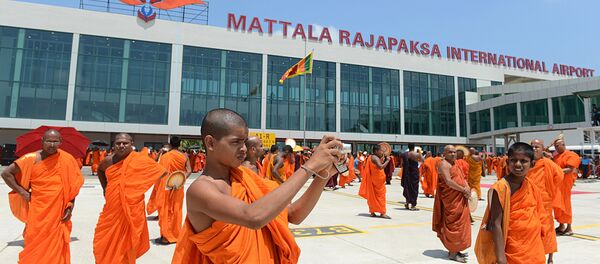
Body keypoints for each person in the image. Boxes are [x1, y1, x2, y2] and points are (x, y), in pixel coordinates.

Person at [171, 108, 343, 263]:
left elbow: (293, 215)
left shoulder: (246, 178)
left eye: (244, 142)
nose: (244, 149)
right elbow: (253, 217)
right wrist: (310, 166)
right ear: (210, 143)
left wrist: (324, 174)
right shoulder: (201, 190)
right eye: (236, 142)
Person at [1, 129, 84, 263]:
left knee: (56, 243)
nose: (52, 144)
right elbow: (6, 174)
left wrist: (70, 206)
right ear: (42, 141)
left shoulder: (67, 159)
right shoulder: (31, 158)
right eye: (48, 141)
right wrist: (22, 192)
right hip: (38, 207)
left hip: (59, 209)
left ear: (60, 142)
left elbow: (73, 187)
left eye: (55, 141)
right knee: (35, 239)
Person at [93, 133, 168, 263]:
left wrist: (140, 183)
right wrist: (105, 188)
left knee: (128, 243)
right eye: (118, 143)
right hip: (112, 208)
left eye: (125, 143)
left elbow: (161, 172)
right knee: (103, 241)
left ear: (131, 143)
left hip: (132, 207)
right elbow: (100, 170)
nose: (121, 146)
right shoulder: (109, 160)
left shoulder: (139, 160)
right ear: (114, 145)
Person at [474, 142, 546, 264]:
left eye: (523, 161)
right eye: (514, 160)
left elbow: (538, 215)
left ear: (532, 164)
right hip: (511, 248)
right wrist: (501, 258)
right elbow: (495, 224)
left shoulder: (532, 187)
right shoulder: (500, 188)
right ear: (507, 162)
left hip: (533, 248)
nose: (518, 164)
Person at [432, 145, 472, 263]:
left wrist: (467, 187)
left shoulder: (456, 164)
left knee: (461, 224)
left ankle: (456, 249)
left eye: (454, 152)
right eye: (450, 152)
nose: (453, 154)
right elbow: (449, 182)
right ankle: (453, 254)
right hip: (451, 201)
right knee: (454, 225)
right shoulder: (444, 165)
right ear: (444, 153)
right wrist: (463, 189)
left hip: (460, 197)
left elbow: (462, 177)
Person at [529, 139, 565, 264]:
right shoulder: (526, 163)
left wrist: (550, 188)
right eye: (532, 146)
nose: (534, 149)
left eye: (537, 146)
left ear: (542, 148)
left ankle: (550, 258)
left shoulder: (547, 163)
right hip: (529, 202)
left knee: (547, 230)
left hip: (545, 202)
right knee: (531, 230)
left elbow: (559, 175)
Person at [153, 136, 192, 244]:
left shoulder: (165, 156)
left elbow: (159, 171)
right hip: (178, 186)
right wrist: (181, 179)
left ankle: (165, 236)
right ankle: (175, 235)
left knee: (164, 209)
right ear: (180, 144)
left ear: (170, 144)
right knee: (176, 210)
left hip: (165, 186)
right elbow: (189, 170)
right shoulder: (184, 156)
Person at [552, 139, 580, 236]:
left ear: (563, 145)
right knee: (558, 205)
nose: (556, 148)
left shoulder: (571, 155)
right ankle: (561, 225)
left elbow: (570, 169)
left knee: (566, 204)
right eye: (555, 146)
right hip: (557, 184)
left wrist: (556, 172)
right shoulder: (556, 156)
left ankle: (569, 227)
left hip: (565, 184)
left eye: (557, 146)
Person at [358, 144, 391, 218]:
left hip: (376, 180)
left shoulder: (372, 157)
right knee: (380, 196)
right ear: (376, 151)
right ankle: (382, 213)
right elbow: (380, 167)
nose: (382, 152)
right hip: (376, 182)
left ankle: (372, 212)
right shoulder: (375, 158)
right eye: (381, 151)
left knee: (372, 196)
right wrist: (388, 161)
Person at [401, 144, 421, 210]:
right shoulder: (416, 154)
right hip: (414, 174)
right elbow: (422, 160)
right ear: (414, 147)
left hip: (406, 173)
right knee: (414, 189)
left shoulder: (404, 154)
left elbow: (402, 164)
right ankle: (413, 205)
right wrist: (419, 153)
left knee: (407, 188)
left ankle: (407, 203)